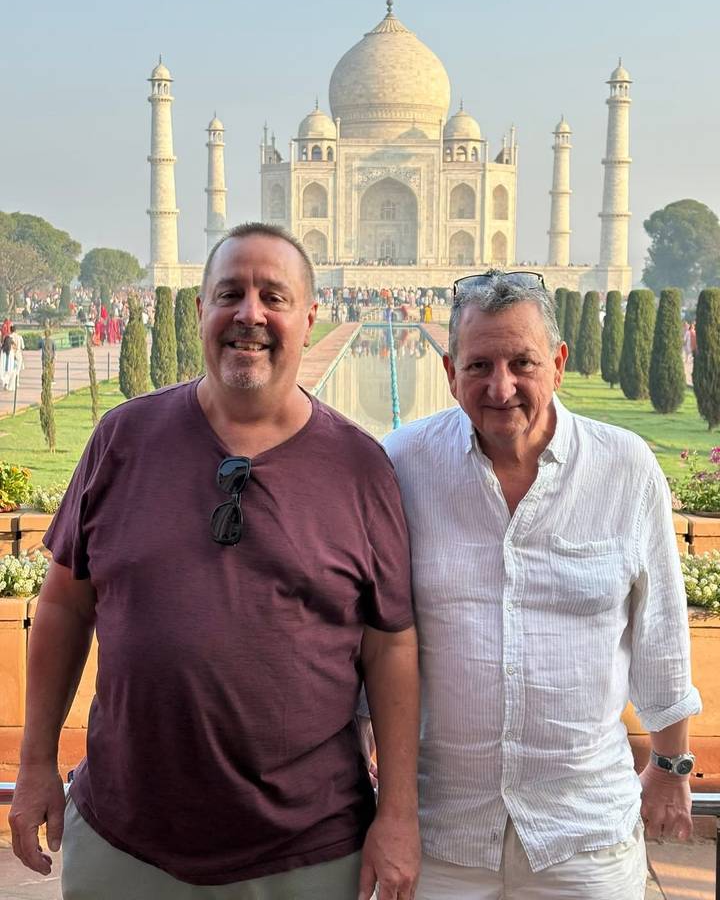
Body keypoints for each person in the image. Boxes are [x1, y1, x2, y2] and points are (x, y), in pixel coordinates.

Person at [10, 222, 420, 900]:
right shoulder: (125, 438)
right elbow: (63, 602)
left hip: (305, 848)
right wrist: (34, 765)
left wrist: (399, 812)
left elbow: (391, 646)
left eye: (274, 296)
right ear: (200, 310)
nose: (249, 314)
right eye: (230, 292)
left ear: (310, 318)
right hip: (126, 837)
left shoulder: (357, 467)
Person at [380, 270, 700, 899]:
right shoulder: (403, 465)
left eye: (521, 362)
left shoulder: (623, 468)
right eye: (479, 365)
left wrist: (669, 767)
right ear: (449, 370)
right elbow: (373, 627)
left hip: (582, 831)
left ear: (557, 362)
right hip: (443, 830)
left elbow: (660, 630)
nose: (501, 388)